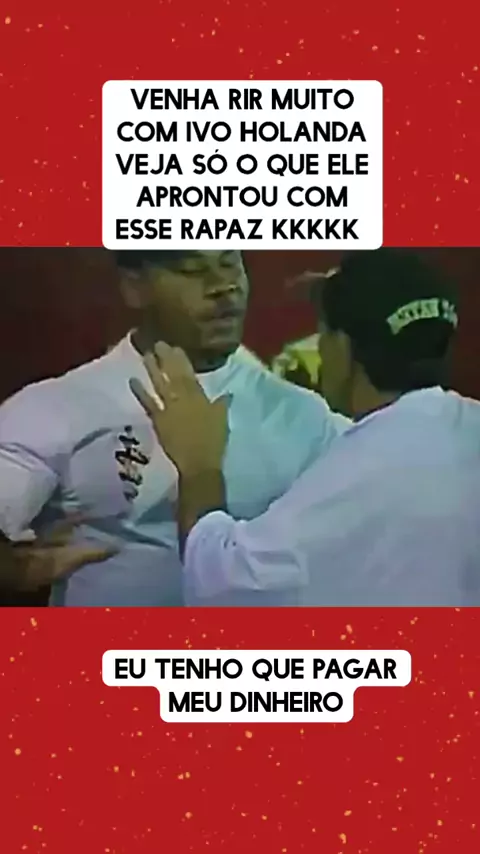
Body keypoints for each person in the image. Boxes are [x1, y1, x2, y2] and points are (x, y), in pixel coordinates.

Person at [132, 249, 480, 607]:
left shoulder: (361, 472)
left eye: (322, 332)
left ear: (343, 346)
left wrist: (199, 467)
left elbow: (222, 583)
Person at [0, 249, 349, 606]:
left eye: (230, 263)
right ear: (134, 286)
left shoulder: (305, 414)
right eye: (193, 269)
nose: (223, 285)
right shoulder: (55, 408)